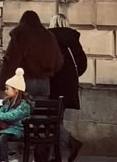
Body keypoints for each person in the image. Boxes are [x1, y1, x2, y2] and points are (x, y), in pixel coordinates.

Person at [49, 14, 87, 162]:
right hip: (67, 87)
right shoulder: (72, 40)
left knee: (51, 121)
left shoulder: (48, 39)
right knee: (57, 119)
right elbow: (82, 63)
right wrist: (71, 76)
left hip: (51, 85)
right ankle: (55, 155)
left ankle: (70, 144)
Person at [0, 10, 63, 98]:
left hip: (24, 80)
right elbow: (58, 61)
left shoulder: (20, 34)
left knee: (24, 109)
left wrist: (3, 84)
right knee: (41, 110)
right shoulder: (48, 36)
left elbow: (11, 60)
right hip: (44, 82)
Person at [0, 68, 33, 162]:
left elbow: (12, 115)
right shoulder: (8, 103)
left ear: (16, 90)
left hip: (18, 129)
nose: (5, 91)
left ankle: (3, 160)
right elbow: (0, 112)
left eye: (7, 88)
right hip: (7, 128)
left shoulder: (24, 105)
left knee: (2, 138)